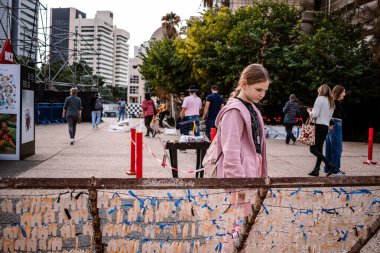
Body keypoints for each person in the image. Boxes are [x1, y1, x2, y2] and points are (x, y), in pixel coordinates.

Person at [214, 63, 269, 178]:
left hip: (251, 173)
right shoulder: (234, 111)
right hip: (240, 179)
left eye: (265, 90)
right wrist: (239, 184)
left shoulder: (252, 108)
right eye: (258, 89)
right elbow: (231, 154)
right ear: (244, 84)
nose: (262, 94)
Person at [307, 84, 335, 177]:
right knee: (319, 149)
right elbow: (330, 117)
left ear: (321, 91)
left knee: (312, 149)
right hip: (325, 127)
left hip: (318, 126)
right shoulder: (331, 101)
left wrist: (309, 112)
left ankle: (329, 164)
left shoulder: (320, 99)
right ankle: (316, 169)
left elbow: (314, 114)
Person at [324, 85, 347, 175]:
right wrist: (330, 123)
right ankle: (335, 169)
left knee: (329, 148)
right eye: (343, 92)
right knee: (337, 148)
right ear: (339, 92)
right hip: (335, 125)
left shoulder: (332, 101)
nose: (345, 94)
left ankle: (328, 168)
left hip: (331, 125)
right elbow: (327, 113)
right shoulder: (334, 101)